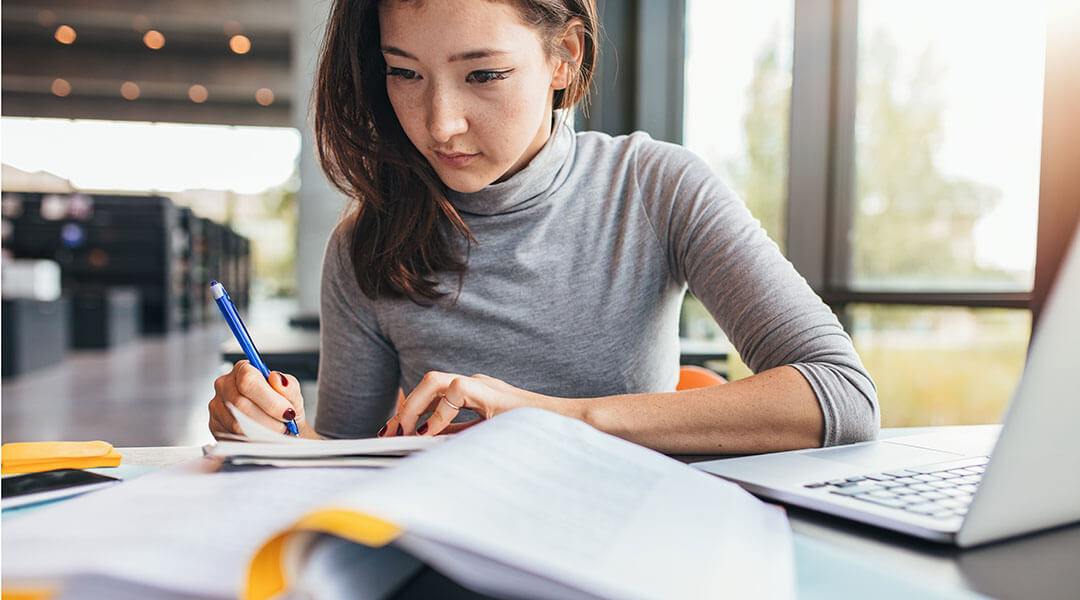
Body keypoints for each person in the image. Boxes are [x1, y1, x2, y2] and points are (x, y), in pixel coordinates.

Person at [208, 0, 879, 454]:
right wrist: (270, 433)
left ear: (563, 58)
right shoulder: (365, 243)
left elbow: (842, 397)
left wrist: (545, 418)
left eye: (483, 74)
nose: (439, 123)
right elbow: (344, 461)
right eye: (403, 73)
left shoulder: (655, 187)